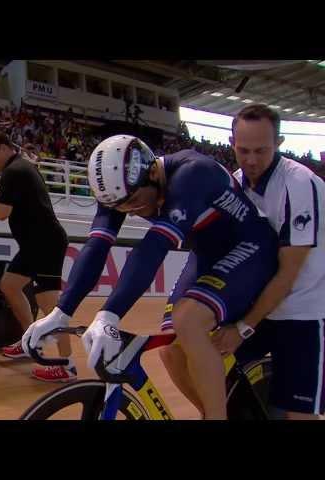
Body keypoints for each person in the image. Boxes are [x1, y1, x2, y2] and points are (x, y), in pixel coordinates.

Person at [22, 134, 279, 418]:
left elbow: (154, 248)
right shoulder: (121, 190)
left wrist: (109, 314)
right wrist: (61, 312)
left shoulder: (193, 173)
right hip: (207, 255)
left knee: (188, 320)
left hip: (251, 248)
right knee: (170, 349)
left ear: (153, 173)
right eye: (120, 208)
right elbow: (96, 246)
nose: (129, 211)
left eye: (133, 203)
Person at [163, 104, 324, 420]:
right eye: (243, 150)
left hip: (304, 311)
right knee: (175, 353)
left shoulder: (298, 185)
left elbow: (289, 273)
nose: (251, 160)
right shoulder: (231, 182)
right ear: (231, 143)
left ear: (278, 143)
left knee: (297, 415)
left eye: (261, 151)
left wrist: (244, 328)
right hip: (261, 306)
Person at [0, 130, 72, 382]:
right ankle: (30, 342)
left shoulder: (14, 171)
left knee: (51, 307)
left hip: (45, 245)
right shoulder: (19, 167)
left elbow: (2, 212)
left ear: (4, 148)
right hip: (34, 245)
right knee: (9, 285)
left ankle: (66, 366)